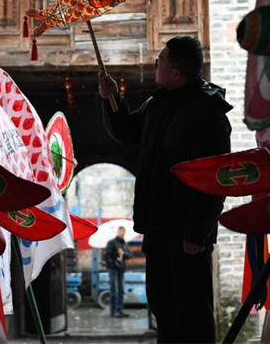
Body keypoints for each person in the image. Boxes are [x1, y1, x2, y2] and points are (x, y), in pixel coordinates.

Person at [99, 36, 231, 344]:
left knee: (193, 313)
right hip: (157, 228)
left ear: (177, 73)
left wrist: (197, 232)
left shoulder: (208, 111)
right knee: (164, 308)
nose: (155, 64)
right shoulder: (157, 103)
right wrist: (112, 98)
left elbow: (217, 177)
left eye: (160, 61)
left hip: (187, 234)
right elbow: (128, 131)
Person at [103, 226, 132, 318]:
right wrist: (113, 264)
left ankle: (120, 310)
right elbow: (106, 256)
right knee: (114, 290)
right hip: (113, 269)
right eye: (120, 231)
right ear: (118, 231)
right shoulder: (111, 243)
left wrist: (123, 253)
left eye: (123, 231)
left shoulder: (125, 244)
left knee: (121, 290)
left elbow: (130, 255)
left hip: (121, 269)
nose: (122, 233)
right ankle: (113, 311)